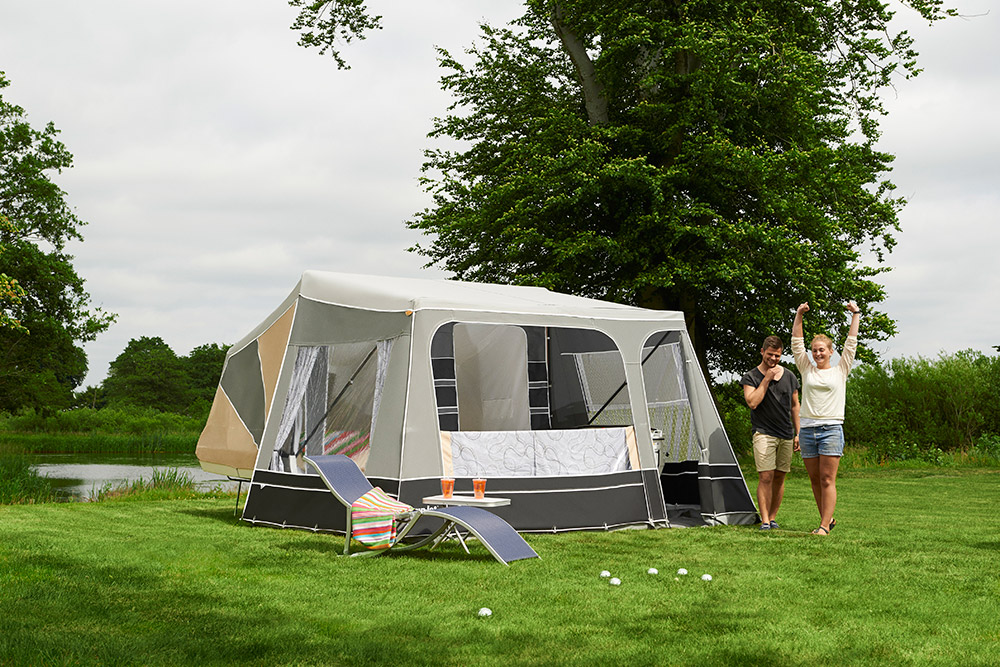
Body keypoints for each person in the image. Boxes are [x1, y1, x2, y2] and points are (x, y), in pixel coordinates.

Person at [791, 301, 861, 535]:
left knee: (827, 479)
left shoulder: (840, 369)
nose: (818, 353)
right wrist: (799, 315)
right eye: (815, 350)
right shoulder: (806, 369)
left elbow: (851, 345)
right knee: (814, 480)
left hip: (831, 428)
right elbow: (796, 344)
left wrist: (856, 315)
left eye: (822, 349)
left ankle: (823, 526)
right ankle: (827, 519)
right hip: (808, 430)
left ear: (831, 351)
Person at [741, 336, 800, 531]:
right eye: (769, 355)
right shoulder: (751, 377)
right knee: (766, 476)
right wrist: (766, 379)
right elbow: (753, 402)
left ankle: (773, 518)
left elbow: (795, 406)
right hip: (763, 433)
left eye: (777, 355)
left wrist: (798, 433)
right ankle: (764, 520)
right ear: (762, 352)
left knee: (780, 477)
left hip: (786, 433)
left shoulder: (790, 376)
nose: (773, 359)